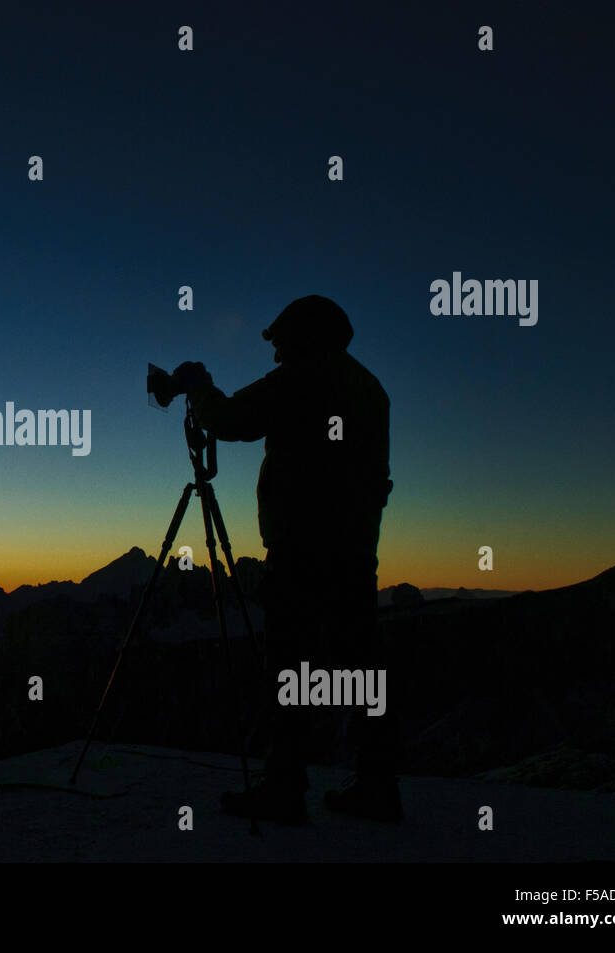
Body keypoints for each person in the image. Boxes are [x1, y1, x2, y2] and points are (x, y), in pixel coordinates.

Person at [171, 294, 401, 824]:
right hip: (354, 549)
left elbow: (231, 420)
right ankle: (377, 784)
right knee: (360, 666)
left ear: (304, 335)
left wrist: (199, 388)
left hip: (302, 549)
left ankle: (283, 788)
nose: (274, 351)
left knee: (288, 668)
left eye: (280, 340)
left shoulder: (304, 377)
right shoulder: (368, 386)